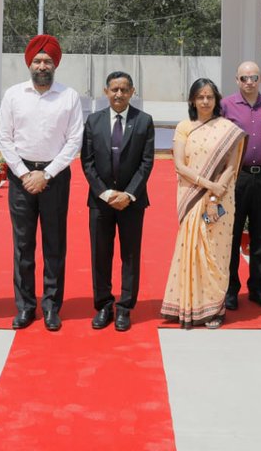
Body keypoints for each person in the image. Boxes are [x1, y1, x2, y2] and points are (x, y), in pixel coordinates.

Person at [0, 34, 84, 331]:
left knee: (54, 244)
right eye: (37, 60)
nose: (42, 65)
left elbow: (74, 140)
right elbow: (3, 138)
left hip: (55, 178)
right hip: (21, 177)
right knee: (22, 245)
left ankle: (51, 307)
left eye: (47, 61)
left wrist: (46, 174)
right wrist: (24, 173)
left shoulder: (69, 96)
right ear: (29, 63)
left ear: (55, 64)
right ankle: (25, 307)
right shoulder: (13, 95)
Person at [160, 79, 245, 329]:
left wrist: (217, 190)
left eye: (209, 97)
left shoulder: (228, 128)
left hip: (220, 198)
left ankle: (214, 308)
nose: (205, 102)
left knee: (216, 251)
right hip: (192, 195)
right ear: (192, 101)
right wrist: (209, 184)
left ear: (217, 99)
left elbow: (231, 164)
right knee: (192, 248)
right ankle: (188, 304)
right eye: (200, 97)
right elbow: (180, 165)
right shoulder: (185, 127)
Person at [81, 71, 155, 332]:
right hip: (100, 202)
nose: (119, 94)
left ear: (132, 92)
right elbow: (87, 162)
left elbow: (146, 164)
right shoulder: (93, 121)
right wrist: (105, 193)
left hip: (132, 202)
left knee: (130, 255)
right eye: (114, 89)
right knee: (100, 255)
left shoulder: (144, 121)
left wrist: (128, 194)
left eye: (124, 90)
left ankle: (124, 308)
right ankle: (103, 305)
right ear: (106, 91)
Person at [220, 61, 261, 310]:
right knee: (233, 235)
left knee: (260, 236)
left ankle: (257, 288)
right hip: (237, 177)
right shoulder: (226, 106)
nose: (249, 82)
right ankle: (231, 289)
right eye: (244, 78)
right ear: (237, 80)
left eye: (254, 77)